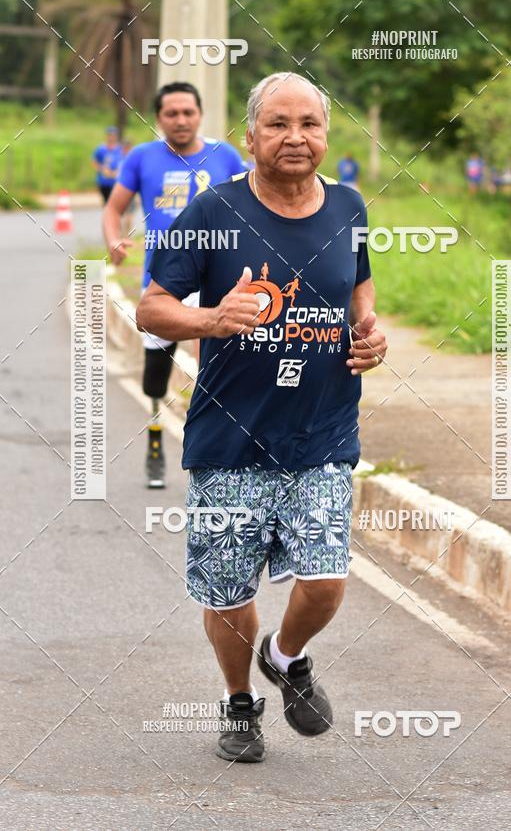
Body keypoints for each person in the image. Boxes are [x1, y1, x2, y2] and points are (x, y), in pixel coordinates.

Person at [137, 72, 388, 763]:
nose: (295, 138)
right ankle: (238, 701)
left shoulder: (349, 206)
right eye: (277, 124)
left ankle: (286, 654)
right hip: (230, 439)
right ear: (250, 136)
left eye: (308, 124)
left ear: (326, 135)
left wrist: (370, 332)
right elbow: (152, 305)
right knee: (227, 588)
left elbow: (359, 286)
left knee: (326, 578)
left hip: (323, 432)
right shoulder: (214, 212)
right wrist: (212, 318)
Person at [103, 82, 245, 488]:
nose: (181, 120)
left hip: (218, 277)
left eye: (188, 112)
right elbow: (114, 209)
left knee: (214, 362)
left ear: (200, 114)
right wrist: (114, 238)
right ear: (159, 118)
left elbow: (254, 202)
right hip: (163, 283)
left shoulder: (226, 155)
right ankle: (154, 436)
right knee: (155, 374)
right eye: (171, 113)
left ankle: (214, 445)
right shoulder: (141, 158)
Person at [93, 127, 122, 203]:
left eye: (113, 135)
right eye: (110, 135)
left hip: (117, 181)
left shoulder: (120, 148)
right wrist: (102, 169)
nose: (111, 137)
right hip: (104, 181)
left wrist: (118, 171)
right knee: (107, 203)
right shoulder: (101, 149)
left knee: (116, 203)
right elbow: (94, 162)